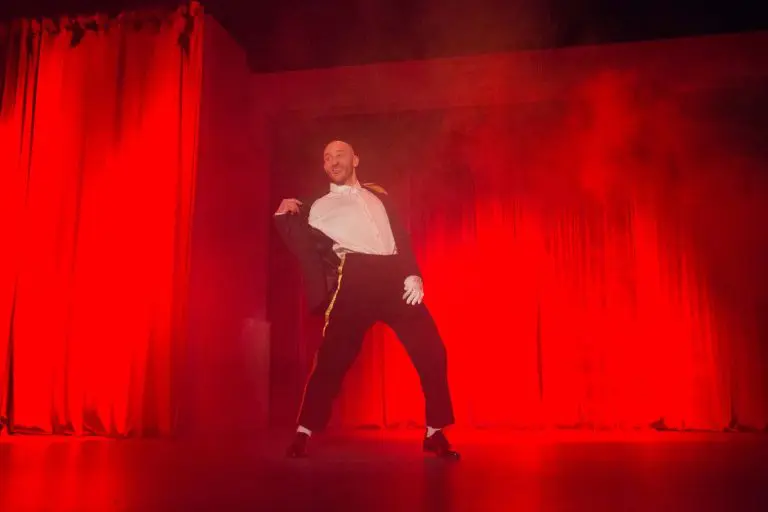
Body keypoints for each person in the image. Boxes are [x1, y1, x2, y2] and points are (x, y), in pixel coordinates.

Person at [273, 140, 459, 459]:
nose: (333, 162)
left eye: (339, 155)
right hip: (355, 278)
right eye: (327, 158)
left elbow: (400, 237)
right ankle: (304, 431)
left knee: (432, 350)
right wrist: (283, 213)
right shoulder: (317, 206)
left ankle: (435, 431)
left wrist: (413, 274)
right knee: (331, 361)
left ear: (355, 160)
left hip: (394, 277)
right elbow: (299, 241)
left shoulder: (379, 196)